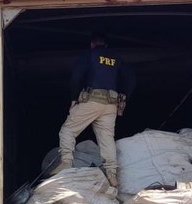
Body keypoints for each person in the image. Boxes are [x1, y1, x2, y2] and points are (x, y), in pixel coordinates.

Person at [54, 32, 135, 187]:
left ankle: (66, 163)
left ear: (92, 44)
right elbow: (131, 78)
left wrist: (73, 98)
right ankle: (111, 173)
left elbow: (76, 77)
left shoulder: (88, 55)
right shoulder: (116, 59)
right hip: (110, 105)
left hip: (91, 101)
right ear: (106, 45)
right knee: (106, 139)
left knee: (68, 130)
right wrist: (124, 96)